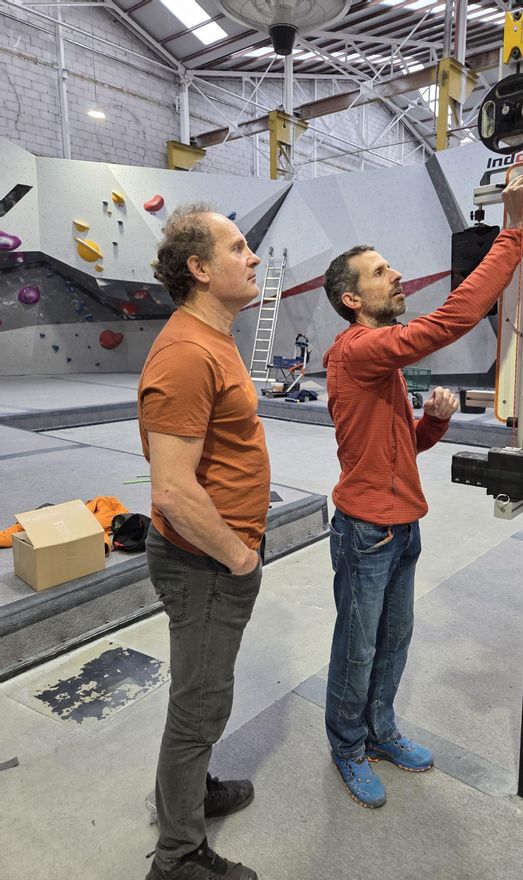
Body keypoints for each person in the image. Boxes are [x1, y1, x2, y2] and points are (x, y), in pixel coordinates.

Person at [322, 175, 523, 808]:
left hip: (401, 527)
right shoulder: (357, 349)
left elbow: (398, 453)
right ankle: (347, 744)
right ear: (349, 300)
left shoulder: (377, 363)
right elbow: (452, 320)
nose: (397, 277)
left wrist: (434, 423)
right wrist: (513, 234)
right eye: (381, 271)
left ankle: (381, 731)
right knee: (357, 649)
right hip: (365, 535)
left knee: (393, 641)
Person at [138, 203, 267, 880]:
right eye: (238, 248)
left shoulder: (215, 339)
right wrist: (240, 555)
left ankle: (193, 791)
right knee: (198, 705)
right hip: (205, 565)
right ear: (199, 268)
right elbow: (173, 492)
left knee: (205, 695)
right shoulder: (188, 353)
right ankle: (178, 856)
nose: (251, 258)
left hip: (214, 558)